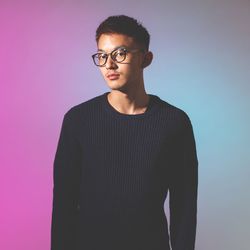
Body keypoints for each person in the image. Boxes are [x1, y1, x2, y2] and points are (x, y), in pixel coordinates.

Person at [51, 15, 198, 250]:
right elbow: (63, 207)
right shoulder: (78, 120)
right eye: (102, 55)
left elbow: (184, 208)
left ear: (145, 58)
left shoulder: (174, 123)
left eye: (120, 54)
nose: (109, 64)